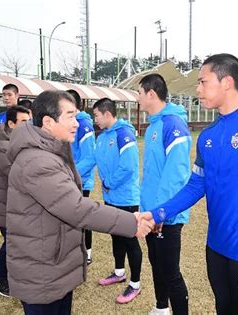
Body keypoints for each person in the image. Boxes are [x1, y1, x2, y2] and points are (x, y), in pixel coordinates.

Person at [141, 54, 238, 315]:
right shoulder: (208, 135)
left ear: (226, 82)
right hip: (216, 248)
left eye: (203, 82)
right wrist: (158, 212)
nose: (198, 89)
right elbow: (195, 186)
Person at [6, 90, 153, 315]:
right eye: (70, 116)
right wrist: (131, 222)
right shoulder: (37, 161)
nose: (78, 123)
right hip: (42, 268)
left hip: (53, 262)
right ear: (47, 122)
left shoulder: (50, 151)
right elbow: (76, 208)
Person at [138, 74, 192, 315]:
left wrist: (161, 212)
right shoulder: (154, 125)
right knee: (156, 264)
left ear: (151, 93)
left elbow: (175, 176)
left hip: (165, 215)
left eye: (139, 93)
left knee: (170, 271)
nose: (138, 99)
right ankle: (161, 308)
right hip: (151, 213)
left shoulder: (173, 124)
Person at [93, 98, 143, 304]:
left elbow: (129, 166)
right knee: (116, 237)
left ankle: (135, 284)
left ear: (106, 114)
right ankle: (119, 272)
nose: (94, 120)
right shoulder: (102, 137)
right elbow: (94, 160)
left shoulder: (124, 134)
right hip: (110, 197)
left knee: (130, 240)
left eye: (96, 115)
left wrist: (109, 183)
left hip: (126, 198)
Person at [0, 105, 31, 297]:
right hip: (7, 204)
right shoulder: (3, 146)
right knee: (12, 243)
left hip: (18, 203)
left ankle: (14, 275)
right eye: (23, 122)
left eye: (29, 121)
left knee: (17, 243)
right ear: (11, 124)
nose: (28, 125)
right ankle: (0, 277)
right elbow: (17, 173)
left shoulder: (20, 141)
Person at [67, 89, 96, 264]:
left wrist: (72, 174)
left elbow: (90, 157)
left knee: (83, 217)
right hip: (70, 178)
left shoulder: (84, 124)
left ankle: (88, 253)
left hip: (80, 180)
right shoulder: (70, 122)